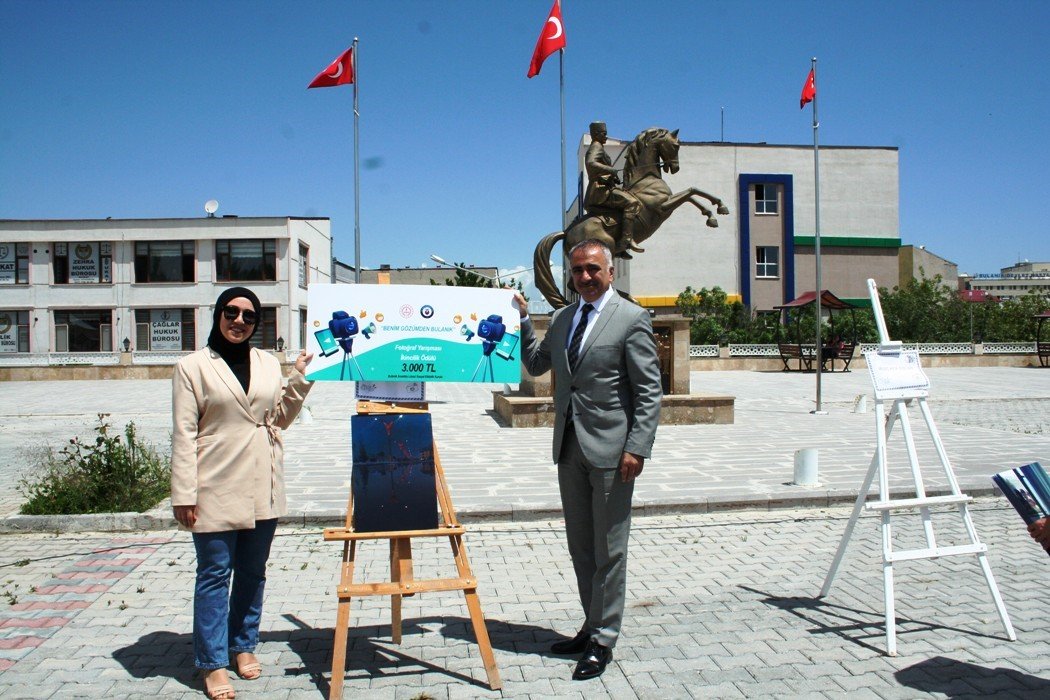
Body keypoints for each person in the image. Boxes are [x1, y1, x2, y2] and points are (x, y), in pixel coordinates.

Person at [514, 239, 662, 681]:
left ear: (610, 271)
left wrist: (637, 446)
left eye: (593, 269)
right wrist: (523, 319)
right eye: (577, 270)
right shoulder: (563, 318)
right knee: (581, 547)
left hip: (615, 453)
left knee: (610, 550)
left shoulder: (632, 319)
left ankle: (604, 639)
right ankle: (589, 625)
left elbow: (649, 391)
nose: (585, 277)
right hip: (570, 447)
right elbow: (538, 364)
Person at [171, 287, 313, 700]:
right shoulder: (192, 367)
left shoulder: (267, 363)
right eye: (231, 312)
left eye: (248, 316)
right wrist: (184, 493)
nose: (239, 321)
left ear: (257, 323)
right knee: (215, 574)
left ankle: (242, 644)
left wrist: (300, 377)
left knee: (253, 573)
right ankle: (212, 664)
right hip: (213, 484)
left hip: (262, 483)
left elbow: (280, 418)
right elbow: (183, 434)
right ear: (217, 315)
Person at [584, 121, 643, 255]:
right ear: (597, 134)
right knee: (632, 203)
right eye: (604, 134)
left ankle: (617, 246)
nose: (606, 136)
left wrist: (612, 176)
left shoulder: (599, 147)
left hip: (602, 188)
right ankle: (626, 240)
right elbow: (590, 163)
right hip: (600, 191)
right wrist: (611, 170)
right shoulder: (596, 147)